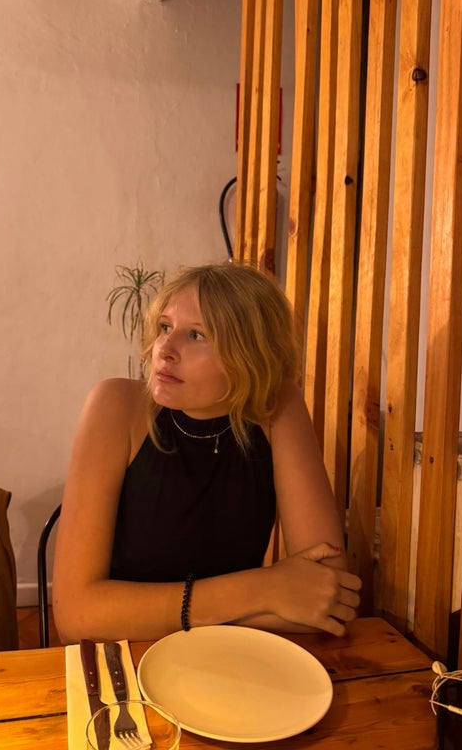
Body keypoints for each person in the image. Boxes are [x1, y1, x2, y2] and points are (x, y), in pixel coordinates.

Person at [52, 262, 361, 643]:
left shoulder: (276, 408)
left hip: (225, 657)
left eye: (197, 335)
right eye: (165, 327)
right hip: (128, 657)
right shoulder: (116, 406)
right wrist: (265, 591)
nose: (165, 349)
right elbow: (76, 617)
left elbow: (329, 593)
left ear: (251, 356)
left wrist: (141, 613)